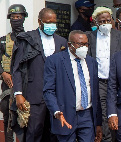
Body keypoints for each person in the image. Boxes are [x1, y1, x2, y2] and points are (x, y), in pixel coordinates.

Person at [11, 8, 68, 142]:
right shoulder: (27, 39)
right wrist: (18, 93)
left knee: (54, 133)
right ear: (39, 22)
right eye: (48, 22)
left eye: (54, 22)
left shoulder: (62, 42)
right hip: (34, 95)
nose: (51, 25)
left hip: (56, 97)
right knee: (34, 132)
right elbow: (17, 68)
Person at [43, 30, 102, 142]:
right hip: (65, 115)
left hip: (86, 115)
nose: (84, 47)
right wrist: (56, 111)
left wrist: (98, 122)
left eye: (86, 44)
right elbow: (48, 90)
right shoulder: (55, 61)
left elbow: (95, 92)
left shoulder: (91, 62)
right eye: (80, 44)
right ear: (70, 45)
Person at [86, 6, 121, 142]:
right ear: (96, 23)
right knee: (104, 114)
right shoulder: (89, 37)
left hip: (118, 82)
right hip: (100, 82)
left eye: (108, 20)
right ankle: (107, 138)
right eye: (102, 21)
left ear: (112, 21)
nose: (105, 23)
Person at [0, 4, 28, 142]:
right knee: (7, 114)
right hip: (8, 84)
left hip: (25, 83)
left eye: (18, 16)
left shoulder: (29, 39)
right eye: (13, 17)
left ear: (23, 18)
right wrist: (3, 74)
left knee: (25, 114)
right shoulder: (3, 41)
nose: (16, 19)